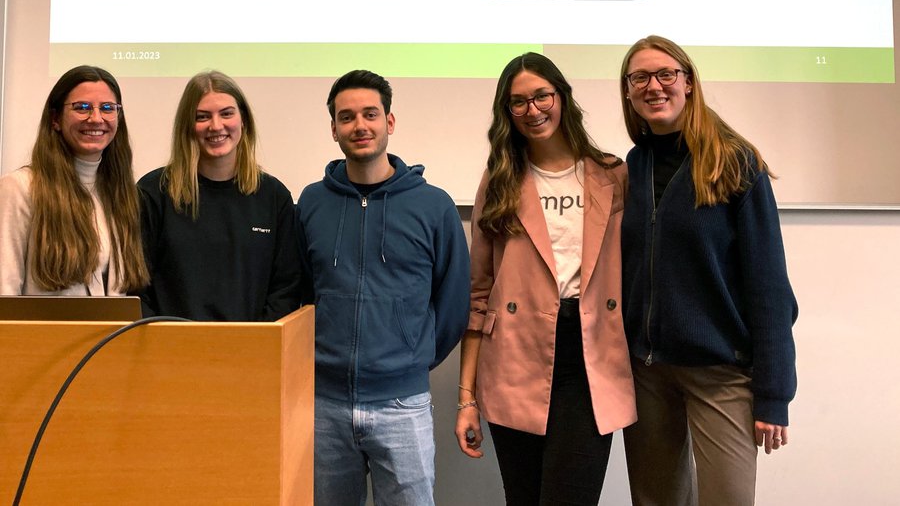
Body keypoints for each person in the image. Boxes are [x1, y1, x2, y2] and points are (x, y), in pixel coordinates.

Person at [619, 36, 798, 506]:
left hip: (721, 372)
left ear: (688, 83)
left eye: (666, 74)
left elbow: (769, 287)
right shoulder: (632, 166)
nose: (654, 86)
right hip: (648, 371)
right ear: (629, 91)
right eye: (640, 77)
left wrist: (774, 392)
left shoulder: (734, 161)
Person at [456, 52, 636, 505]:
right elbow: (479, 294)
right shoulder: (500, 180)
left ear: (562, 97)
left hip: (591, 356)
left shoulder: (612, 174)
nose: (532, 110)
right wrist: (466, 398)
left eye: (541, 96)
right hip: (515, 357)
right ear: (507, 112)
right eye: (518, 102)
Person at [295, 69, 469, 506]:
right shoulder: (311, 202)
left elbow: (453, 304)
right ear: (333, 128)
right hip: (324, 404)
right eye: (347, 117)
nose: (360, 125)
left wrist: (410, 358)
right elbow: (301, 295)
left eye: (370, 114)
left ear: (389, 121)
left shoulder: (434, 206)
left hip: (402, 405)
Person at [138, 70, 300, 321]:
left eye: (226, 113)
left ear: (243, 120)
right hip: (169, 344)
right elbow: (136, 287)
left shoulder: (274, 197)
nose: (216, 126)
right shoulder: (153, 193)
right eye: (202, 117)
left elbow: (285, 290)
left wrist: (257, 340)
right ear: (187, 125)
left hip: (253, 344)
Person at [0, 65, 147, 296]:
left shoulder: (119, 193)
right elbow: (4, 289)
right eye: (82, 107)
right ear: (55, 119)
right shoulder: (19, 188)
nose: (96, 118)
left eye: (107, 108)